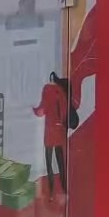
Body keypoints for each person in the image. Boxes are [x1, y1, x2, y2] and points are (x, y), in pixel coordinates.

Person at [33, 71, 70, 201]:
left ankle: (51, 193)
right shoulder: (60, 91)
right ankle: (65, 189)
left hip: (49, 130)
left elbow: (41, 110)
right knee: (60, 162)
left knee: (49, 162)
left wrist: (33, 109)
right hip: (58, 129)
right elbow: (65, 110)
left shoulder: (47, 89)